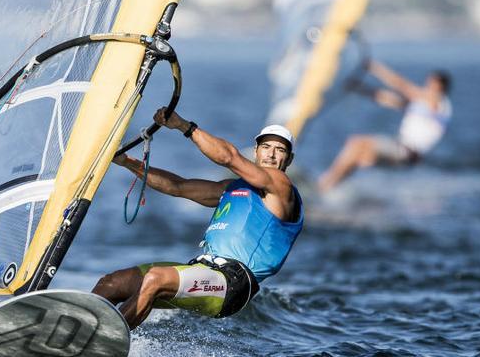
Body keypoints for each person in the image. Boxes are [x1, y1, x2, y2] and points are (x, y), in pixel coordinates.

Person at [92, 107, 304, 330]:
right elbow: (178, 187)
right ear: (256, 152)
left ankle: (102, 344)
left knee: (155, 279)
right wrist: (127, 162)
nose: (271, 155)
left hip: (232, 284)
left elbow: (229, 157)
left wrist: (183, 126)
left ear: (289, 159)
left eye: (279, 150)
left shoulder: (282, 187)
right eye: (266, 147)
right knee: (111, 283)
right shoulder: (231, 188)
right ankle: (74, 333)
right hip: (204, 270)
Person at [318, 60, 452, 191]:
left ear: (439, 87)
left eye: (430, 84)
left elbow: (402, 86)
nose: (426, 86)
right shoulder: (423, 104)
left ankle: (323, 185)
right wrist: (361, 89)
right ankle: (331, 188)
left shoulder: (437, 102)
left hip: (406, 152)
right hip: (402, 150)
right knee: (359, 155)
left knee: (356, 143)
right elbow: (391, 100)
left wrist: (374, 68)